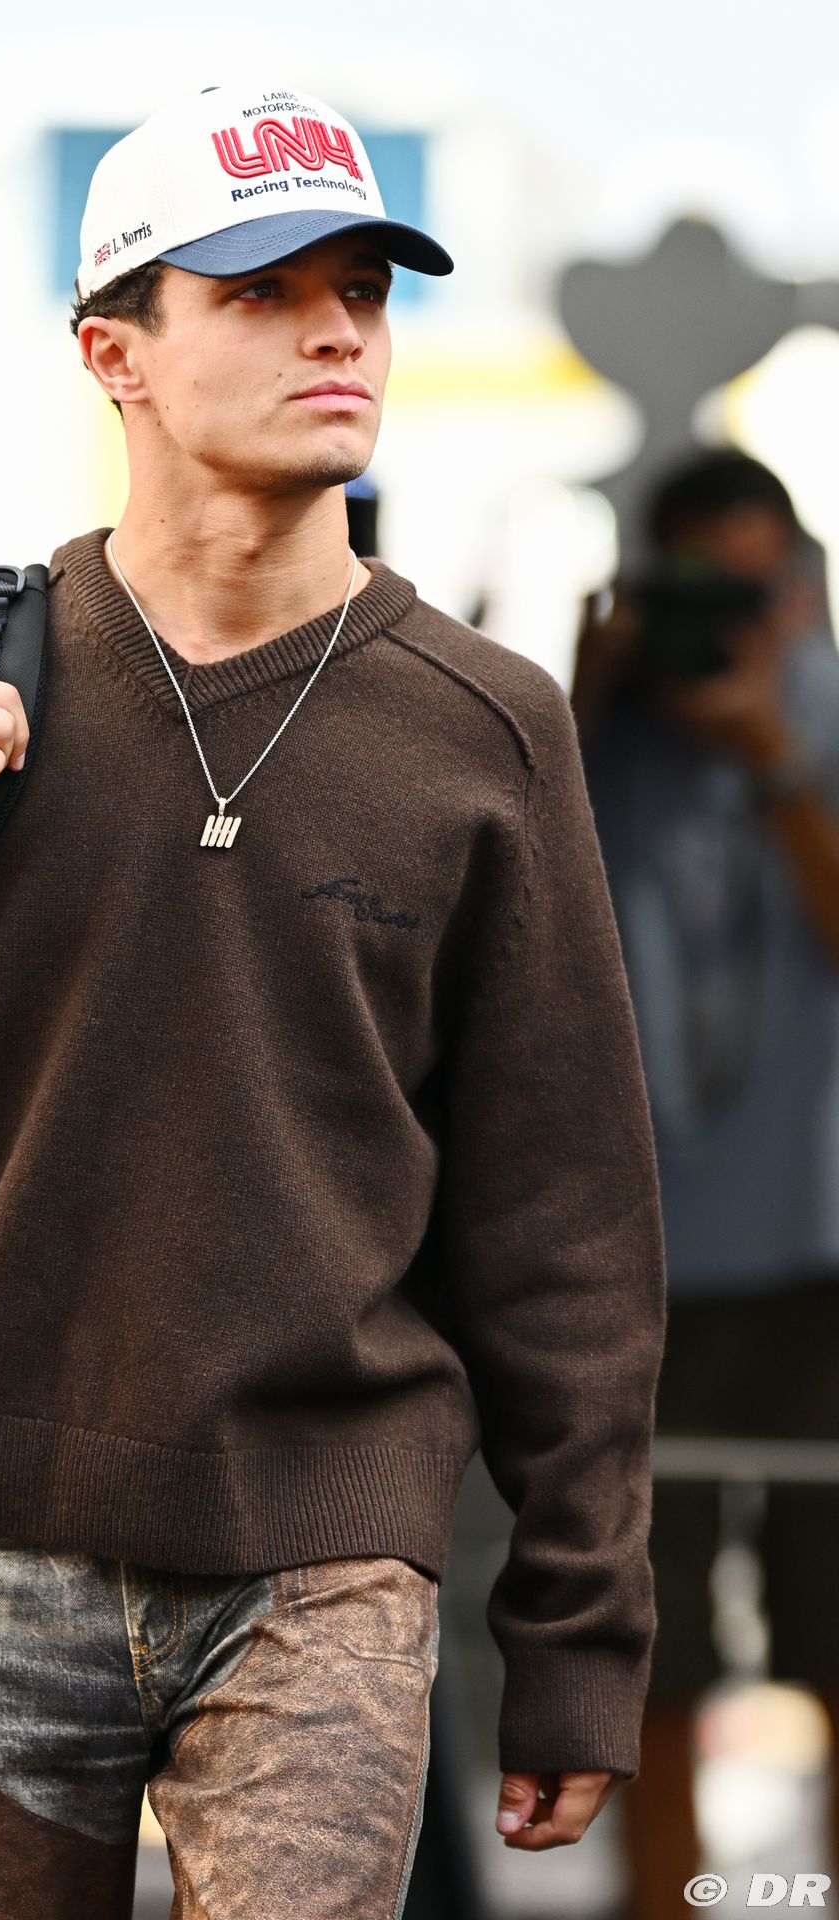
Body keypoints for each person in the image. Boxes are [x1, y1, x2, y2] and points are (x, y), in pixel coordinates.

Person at [0, 82, 666, 1918]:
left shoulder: (488, 728)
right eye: (264, 291)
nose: (338, 331)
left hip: (325, 1559)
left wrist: (579, 1637)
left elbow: (568, 1228)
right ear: (114, 351)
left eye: (363, 288)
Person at [571, 449, 839, 1915]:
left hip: (816, 1249)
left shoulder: (827, 712)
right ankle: (662, 1907)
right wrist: (584, 688)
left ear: (797, 585)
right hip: (643, 1258)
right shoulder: (592, 732)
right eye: (695, 594)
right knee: (641, 1639)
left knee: (834, 1617)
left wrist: (778, 763)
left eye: (751, 590)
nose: (725, 624)